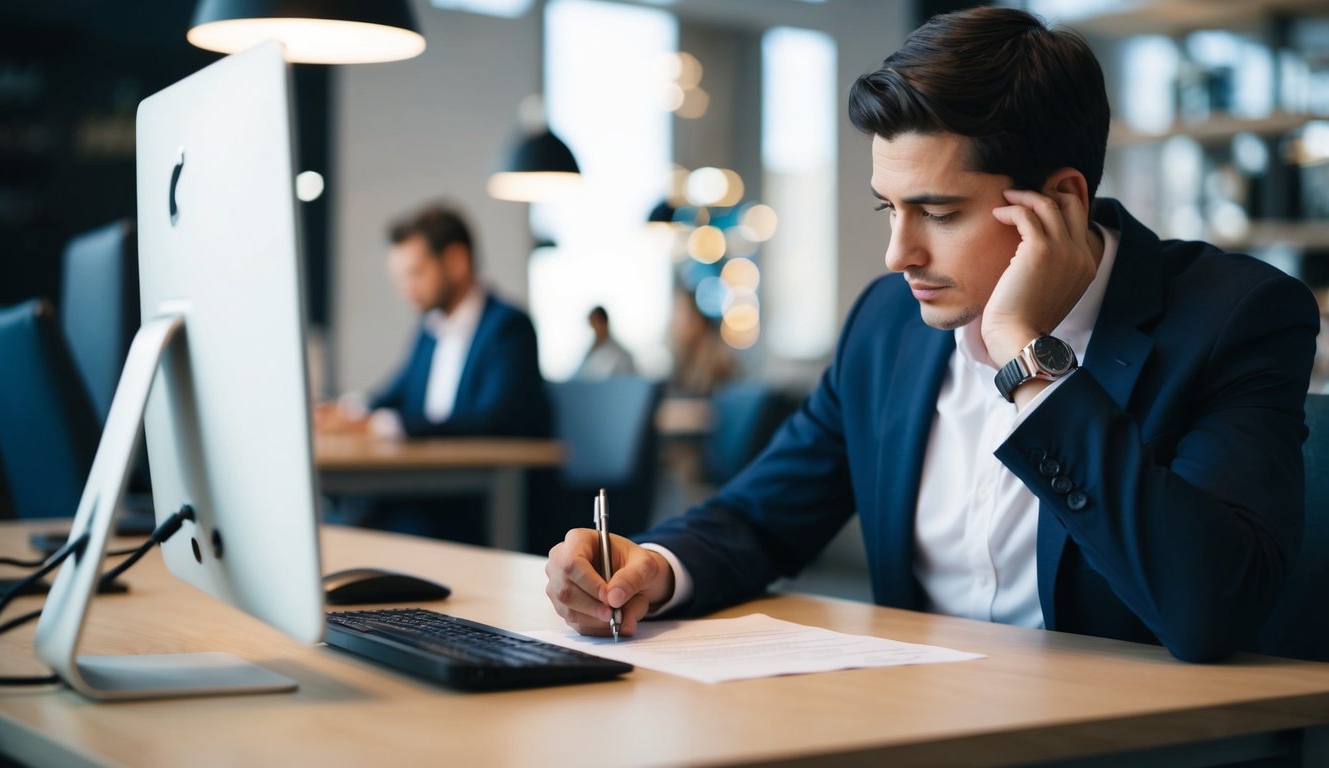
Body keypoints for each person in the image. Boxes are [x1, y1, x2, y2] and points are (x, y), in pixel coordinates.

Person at [544, 7, 1320, 663]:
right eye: (890, 209)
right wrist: (649, 567)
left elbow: (1208, 610)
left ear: (1060, 200)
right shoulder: (886, 326)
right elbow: (760, 516)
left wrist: (1029, 354)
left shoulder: (1236, 318)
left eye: (939, 213)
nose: (897, 255)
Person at [317, 203, 551, 439]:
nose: (405, 291)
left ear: (456, 262)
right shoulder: (429, 331)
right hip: (433, 472)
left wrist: (377, 426)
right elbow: (394, 395)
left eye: (415, 273)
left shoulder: (508, 328)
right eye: (399, 280)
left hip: (489, 474)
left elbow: (493, 421)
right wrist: (347, 411)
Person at [668, 288, 737, 397]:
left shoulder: (720, 369)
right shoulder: (682, 365)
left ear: (699, 320)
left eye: (679, 312)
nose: (673, 321)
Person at [573, 305, 636, 379]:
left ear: (604, 322)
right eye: (592, 326)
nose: (594, 330)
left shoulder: (622, 355)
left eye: (596, 324)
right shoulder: (590, 352)